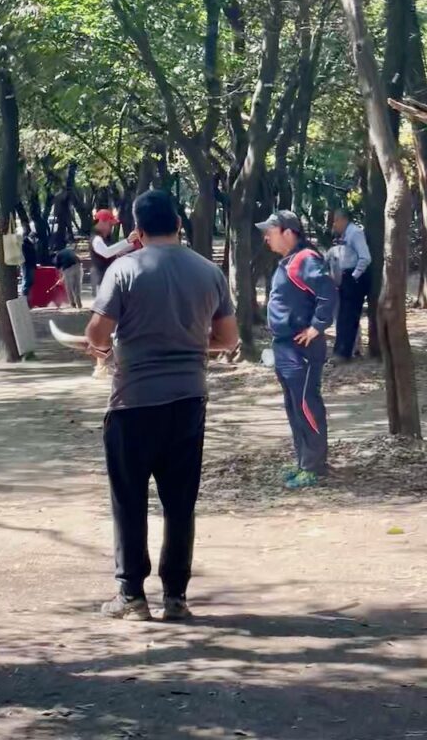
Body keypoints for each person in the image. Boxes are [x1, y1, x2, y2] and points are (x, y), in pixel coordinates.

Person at [85, 190, 238, 622]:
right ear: (178, 224)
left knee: (129, 499)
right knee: (180, 502)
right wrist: (189, 343)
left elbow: (97, 335)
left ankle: (132, 595)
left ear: (136, 229)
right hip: (189, 400)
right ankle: (176, 597)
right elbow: (228, 339)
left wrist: (110, 347)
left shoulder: (125, 269)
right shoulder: (209, 271)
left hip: (133, 400)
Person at [257, 211, 337, 490]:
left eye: (271, 230)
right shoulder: (289, 261)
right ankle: (304, 461)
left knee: (306, 403)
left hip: (300, 347)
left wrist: (316, 327)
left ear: (288, 232)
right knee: (294, 405)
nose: (266, 237)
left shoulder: (306, 260)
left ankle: (314, 466)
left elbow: (328, 293)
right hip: (284, 346)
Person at [330, 208, 371, 362]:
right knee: (342, 315)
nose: (334, 224)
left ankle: (345, 353)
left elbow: (365, 257)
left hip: (356, 278)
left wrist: (354, 276)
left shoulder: (355, 233)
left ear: (343, 219)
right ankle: (340, 350)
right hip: (345, 277)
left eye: (335, 221)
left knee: (349, 316)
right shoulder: (344, 235)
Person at [90, 209, 135, 296]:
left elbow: (116, 250)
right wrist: (127, 241)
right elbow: (106, 252)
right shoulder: (96, 239)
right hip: (103, 283)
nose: (111, 227)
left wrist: (134, 243)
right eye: (110, 224)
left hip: (110, 282)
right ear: (102, 222)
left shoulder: (106, 239)